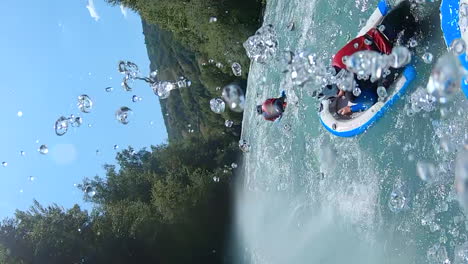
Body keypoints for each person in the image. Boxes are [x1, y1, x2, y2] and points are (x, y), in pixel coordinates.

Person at [331, 0, 417, 115]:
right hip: (386, 26)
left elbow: (372, 100)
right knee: (410, 6)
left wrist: (351, 109)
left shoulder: (352, 94)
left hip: (393, 47)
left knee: (382, 86)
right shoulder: (337, 60)